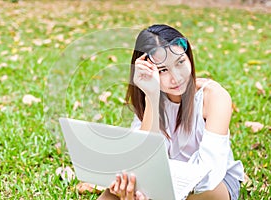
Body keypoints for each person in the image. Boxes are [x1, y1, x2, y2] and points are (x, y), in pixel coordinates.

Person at [97, 24, 244, 200]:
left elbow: (210, 176)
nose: (176, 77)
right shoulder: (150, 96)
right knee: (115, 191)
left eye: (180, 62)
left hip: (213, 184)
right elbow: (142, 160)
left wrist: (160, 192)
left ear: (189, 58)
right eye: (163, 70)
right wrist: (151, 96)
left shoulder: (214, 97)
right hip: (162, 179)